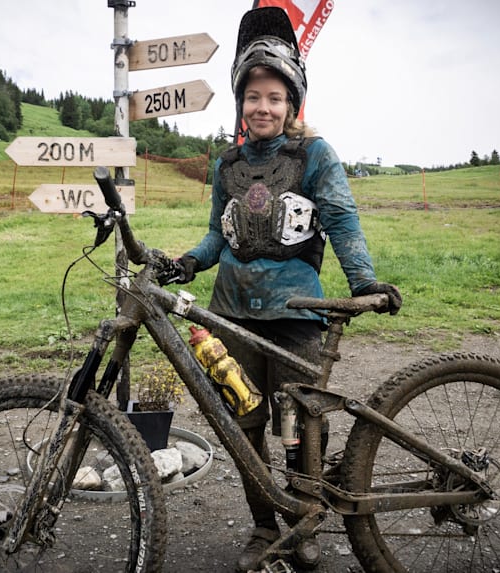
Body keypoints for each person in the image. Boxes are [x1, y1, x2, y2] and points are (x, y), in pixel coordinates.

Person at [175, 7, 402, 572]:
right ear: (240, 104)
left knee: (303, 425)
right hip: (232, 315)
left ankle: (304, 526)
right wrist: (186, 262)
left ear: (292, 102)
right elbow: (215, 236)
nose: (263, 107)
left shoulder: (314, 155)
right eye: (253, 97)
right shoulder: (226, 163)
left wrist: (364, 283)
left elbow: (342, 220)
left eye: (275, 97)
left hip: (298, 313)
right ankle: (260, 526)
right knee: (243, 428)